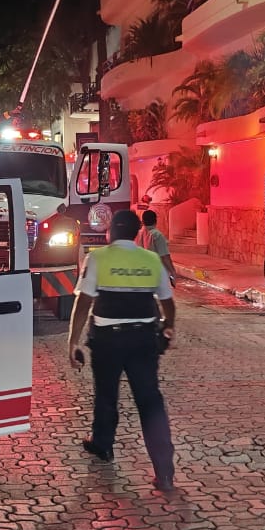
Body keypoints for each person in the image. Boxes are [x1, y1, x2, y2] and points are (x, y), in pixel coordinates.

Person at [67, 208, 177, 491]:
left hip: (107, 341)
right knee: (150, 401)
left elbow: (83, 303)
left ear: (111, 232)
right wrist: (168, 327)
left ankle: (103, 445)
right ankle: (164, 470)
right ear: (136, 232)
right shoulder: (151, 260)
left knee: (106, 395)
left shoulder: (98, 258)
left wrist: (73, 341)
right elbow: (168, 303)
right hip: (143, 341)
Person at [139, 209, 176, 287]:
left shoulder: (139, 233)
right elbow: (165, 256)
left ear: (143, 221)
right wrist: (172, 271)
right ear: (155, 221)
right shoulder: (157, 235)